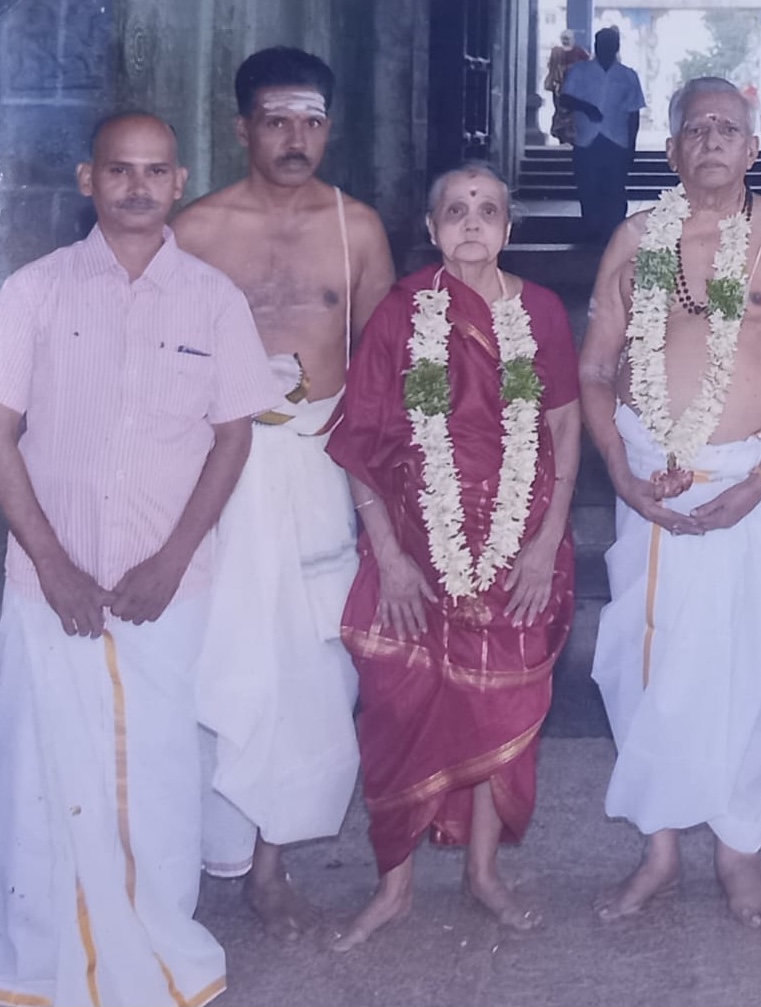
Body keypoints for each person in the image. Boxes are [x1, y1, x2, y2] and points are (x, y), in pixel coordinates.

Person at [0, 112, 278, 1007]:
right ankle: (43, 970)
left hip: (168, 586)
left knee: (158, 778)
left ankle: (159, 960)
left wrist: (172, 558)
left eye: (154, 172)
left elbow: (233, 437)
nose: (135, 186)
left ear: (180, 181)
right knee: (41, 782)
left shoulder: (212, 299)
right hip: (48, 583)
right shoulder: (31, 293)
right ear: (88, 179)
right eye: (118, 170)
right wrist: (50, 562)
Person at [579, 76, 761, 926]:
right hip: (650, 484)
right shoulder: (637, 237)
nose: (714, 139)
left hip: (750, 486)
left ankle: (738, 851)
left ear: (754, 149)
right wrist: (617, 466)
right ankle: (658, 849)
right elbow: (594, 366)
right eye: (698, 128)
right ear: (673, 150)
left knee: (746, 663)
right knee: (642, 659)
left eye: (730, 127)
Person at [323, 161, 580, 950]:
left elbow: (565, 431)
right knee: (401, 703)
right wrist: (392, 558)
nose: (473, 221)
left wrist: (541, 544)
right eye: (456, 210)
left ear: (510, 228)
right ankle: (393, 886)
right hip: (415, 537)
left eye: (489, 209)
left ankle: (482, 873)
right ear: (431, 228)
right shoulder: (403, 312)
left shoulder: (538, 311)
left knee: (495, 704)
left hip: (518, 539)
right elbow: (360, 440)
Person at [172, 44, 395, 940]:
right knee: (206, 653)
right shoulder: (195, 230)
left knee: (308, 667)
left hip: (317, 462)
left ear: (329, 127)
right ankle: (187, 852)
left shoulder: (359, 228)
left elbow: (386, 369)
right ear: (241, 128)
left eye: (311, 121)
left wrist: (398, 484)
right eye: (276, 121)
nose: (296, 138)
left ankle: (269, 866)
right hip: (213, 469)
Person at [560, 26, 645, 244]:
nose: (606, 48)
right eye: (602, 43)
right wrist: (586, 107)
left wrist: (631, 146)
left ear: (616, 47)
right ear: (596, 46)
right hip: (587, 140)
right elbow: (565, 99)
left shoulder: (628, 75)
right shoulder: (580, 71)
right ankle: (591, 233)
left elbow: (633, 113)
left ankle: (614, 235)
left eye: (610, 44)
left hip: (616, 140)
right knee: (588, 187)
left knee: (615, 189)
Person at [544, 29, 591, 146]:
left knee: (574, 114)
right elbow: (551, 67)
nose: (566, 41)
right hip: (560, 87)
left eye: (567, 38)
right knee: (561, 112)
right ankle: (562, 136)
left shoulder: (579, 52)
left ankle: (573, 137)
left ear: (572, 39)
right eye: (564, 38)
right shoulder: (557, 52)